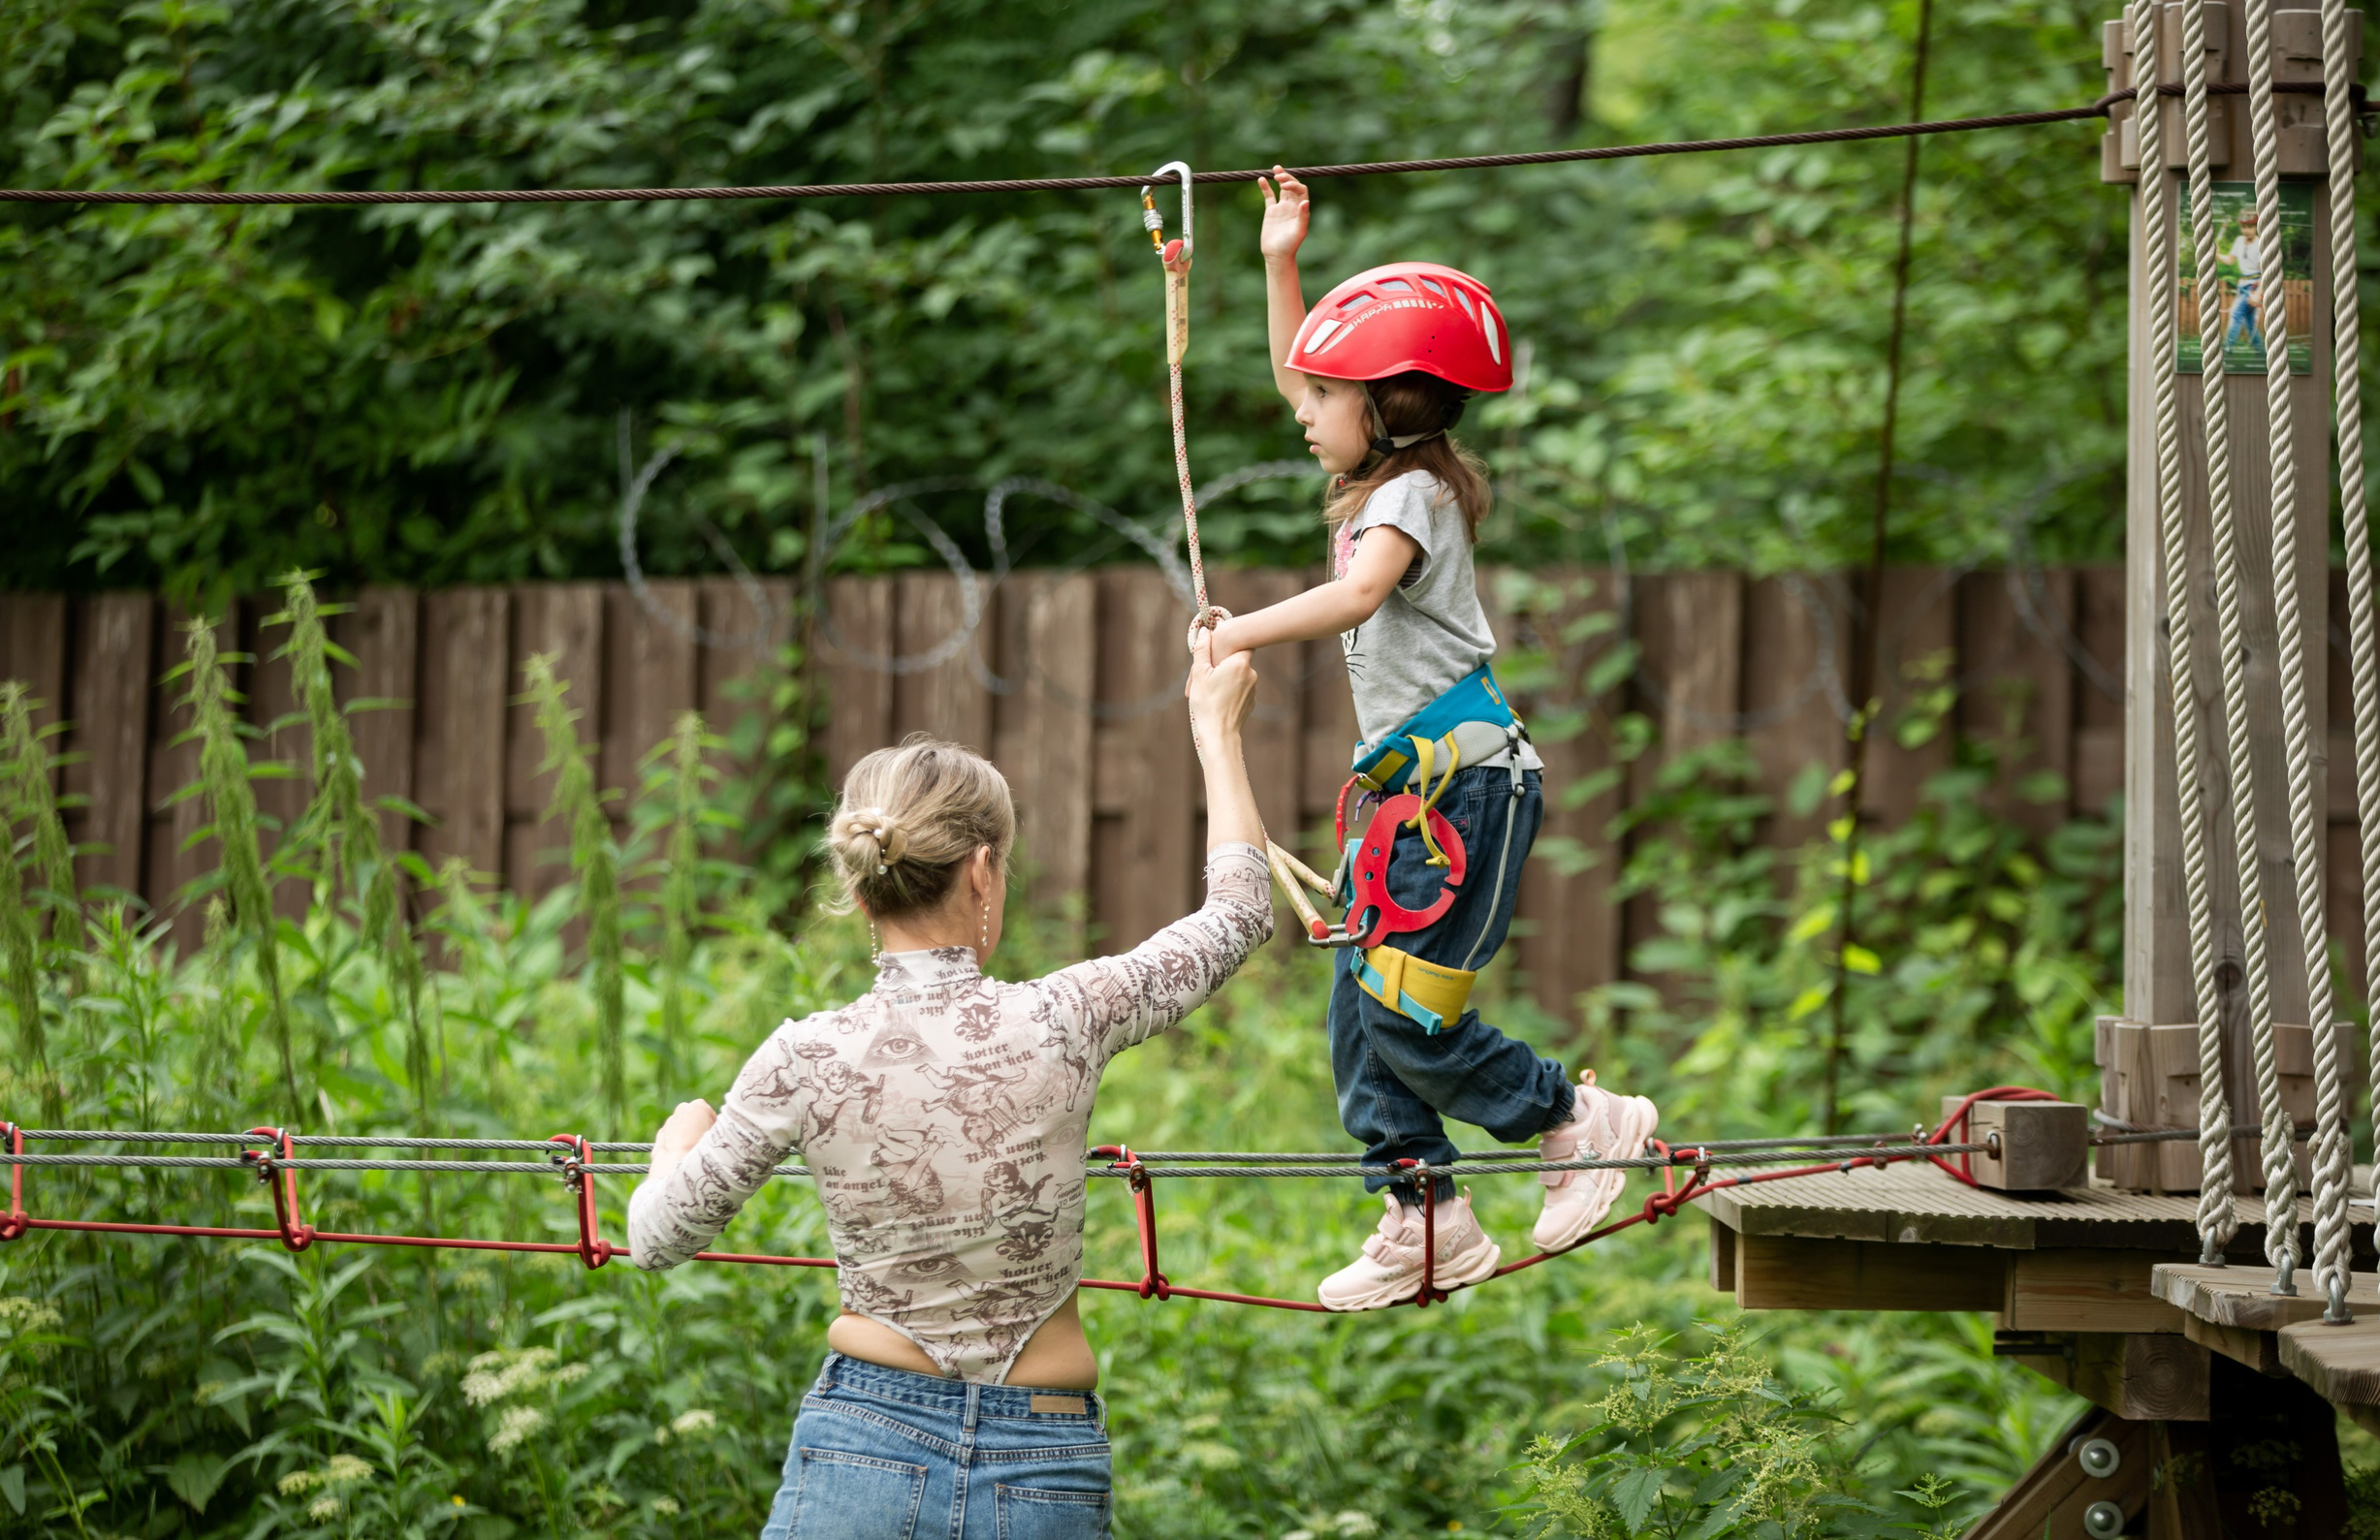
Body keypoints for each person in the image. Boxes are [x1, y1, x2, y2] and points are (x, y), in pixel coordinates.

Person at [625, 653, 1271, 1539]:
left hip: (860, 1444)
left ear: (856, 888)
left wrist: (680, 1144)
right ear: (981, 870)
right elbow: (1237, 915)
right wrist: (1215, 729)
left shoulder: (802, 1056)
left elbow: (655, 1238)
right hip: (1041, 1460)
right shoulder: (1066, 1016)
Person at [1200, 167, 1661, 1312]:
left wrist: (1231, 631)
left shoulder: (1411, 500)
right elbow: (1298, 378)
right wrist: (1278, 264)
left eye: (1321, 399)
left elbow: (1357, 601)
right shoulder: (1385, 472)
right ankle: (1424, 1213)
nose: (1299, 414)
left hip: (1466, 796)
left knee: (1405, 1009)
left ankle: (1570, 1116)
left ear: (1387, 405)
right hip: (1419, 798)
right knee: (1362, 1011)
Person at [2219, 206, 2266, 363]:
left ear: (2257, 226)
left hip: (2254, 285)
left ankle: (2227, 350)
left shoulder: (2261, 244)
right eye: (2244, 227)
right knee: (2250, 323)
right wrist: (2216, 254)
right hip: (2242, 285)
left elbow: (2266, 273)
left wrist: (2258, 293)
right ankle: (2262, 354)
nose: (2247, 230)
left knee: (2236, 315)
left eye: (2250, 226)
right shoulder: (2239, 241)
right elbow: (2230, 260)